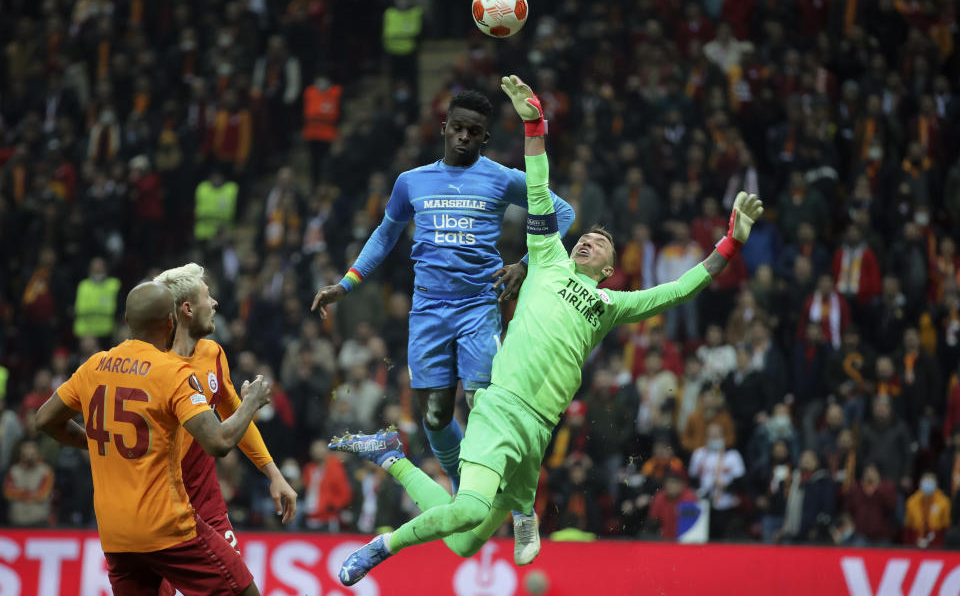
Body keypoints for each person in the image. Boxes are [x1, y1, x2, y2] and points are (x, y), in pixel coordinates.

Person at [328, 74, 764, 585]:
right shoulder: (546, 257)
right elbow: (538, 186)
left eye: (598, 245)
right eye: (584, 238)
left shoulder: (610, 305)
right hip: (499, 405)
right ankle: (386, 544)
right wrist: (534, 124)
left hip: (537, 429)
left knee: (465, 541)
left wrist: (730, 244)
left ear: (608, 269)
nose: (586, 243)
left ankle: (397, 459)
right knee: (468, 507)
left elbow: (679, 291)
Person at [311, 88, 575, 561]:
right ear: (445, 128)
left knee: (482, 405)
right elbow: (385, 233)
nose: (465, 137)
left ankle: (518, 508)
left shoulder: (500, 178)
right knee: (434, 418)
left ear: (486, 137)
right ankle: (463, 487)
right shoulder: (411, 182)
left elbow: (564, 212)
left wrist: (525, 264)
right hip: (429, 311)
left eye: (475, 132)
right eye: (458, 128)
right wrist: (346, 284)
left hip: (479, 307)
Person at [34, 282, 273, 595]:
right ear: (171, 323)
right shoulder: (172, 373)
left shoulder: (94, 365)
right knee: (244, 591)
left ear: (127, 321)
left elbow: (44, 420)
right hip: (168, 528)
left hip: (116, 536)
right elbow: (218, 442)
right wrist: (251, 403)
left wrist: (92, 440)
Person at [153, 264, 297, 580]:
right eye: (208, 295)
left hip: (206, 503)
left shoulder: (213, 353)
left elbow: (237, 416)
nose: (216, 303)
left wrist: (273, 473)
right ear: (187, 309)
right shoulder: (153, 366)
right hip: (160, 507)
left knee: (236, 585)